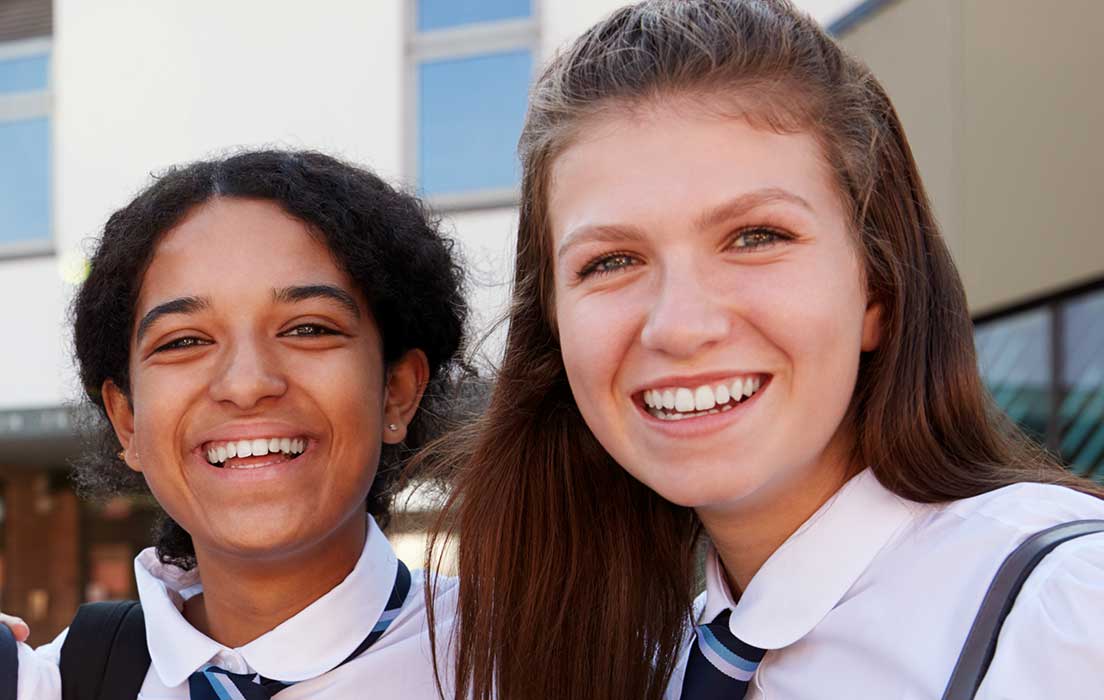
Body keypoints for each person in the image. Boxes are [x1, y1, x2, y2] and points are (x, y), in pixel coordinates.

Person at [424, 1, 1104, 699]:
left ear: (878, 290)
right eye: (610, 261)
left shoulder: (1069, 614)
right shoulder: (634, 657)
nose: (679, 326)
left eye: (756, 237)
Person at [1, 149, 467, 699]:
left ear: (396, 392)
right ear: (127, 421)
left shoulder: (528, 658)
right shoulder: (51, 683)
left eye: (309, 329)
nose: (246, 385)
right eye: (184, 341)